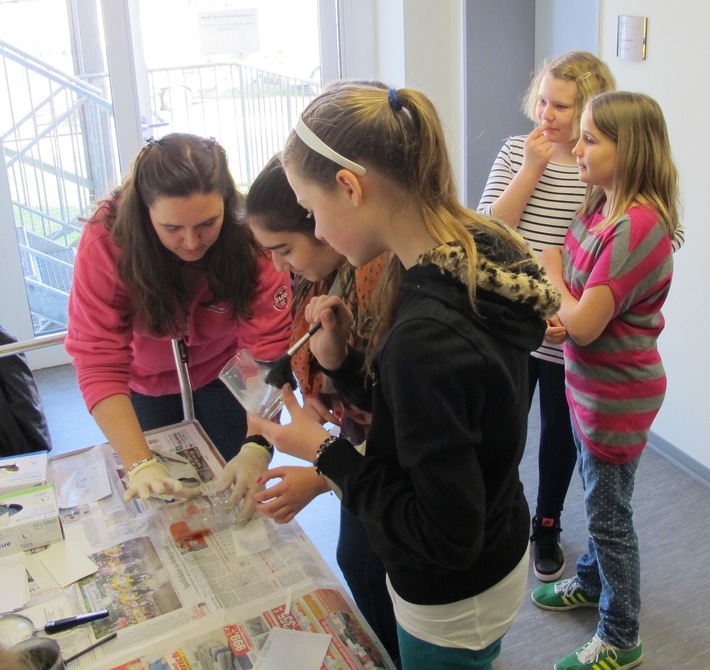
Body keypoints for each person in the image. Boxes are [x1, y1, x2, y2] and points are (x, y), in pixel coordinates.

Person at [249, 81, 561, 670]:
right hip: (496, 539)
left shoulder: (426, 333)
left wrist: (326, 455)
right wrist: (342, 361)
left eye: (313, 211)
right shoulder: (467, 252)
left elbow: (443, 535)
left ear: (349, 186)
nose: (315, 231)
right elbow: (425, 417)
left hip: (451, 591)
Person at [533, 91, 680, 670]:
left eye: (591, 137)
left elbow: (586, 325)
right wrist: (565, 309)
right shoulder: (600, 208)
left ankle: (621, 635)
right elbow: (575, 308)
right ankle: (591, 582)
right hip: (588, 388)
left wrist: (552, 279)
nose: (577, 145)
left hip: (616, 397)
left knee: (608, 518)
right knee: (600, 501)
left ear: (631, 149)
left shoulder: (636, 227)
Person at [65, 133, 292, 502]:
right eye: (172, 228)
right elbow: (98, 357)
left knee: (232, 481)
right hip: (145, 378)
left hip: (228, 372)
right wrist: (139, 463)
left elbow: (265, 352)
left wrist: (256, 446)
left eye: (207, 223)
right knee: (161, 492)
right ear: (144, 212)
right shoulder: (106, 239)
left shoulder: (252, 237)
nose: (191, 241)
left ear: (228, 204)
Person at [243, 153, 399, 665]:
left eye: (285, 248)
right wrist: (324, 375)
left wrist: (322, 469)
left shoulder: (391, 290)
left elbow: (399, 427)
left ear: (323, 218)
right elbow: (309, 348)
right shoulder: (330, 273)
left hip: (390, 459)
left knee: (375, 563)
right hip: (365, 439)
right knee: (358, 556)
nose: (280, 266)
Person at [477, 51, 617, 582]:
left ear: (588, 110)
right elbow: (489, 228)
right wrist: (533, 167)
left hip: (565, 327)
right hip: (511, 325)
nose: (547, 114)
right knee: (502, 426)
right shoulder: (517, 151)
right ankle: (498, 517)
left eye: (561, 106)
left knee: (558, 435)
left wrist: (575, 308)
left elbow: (616, 240)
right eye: (542, 100)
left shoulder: (596, 167)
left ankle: (547, 524)